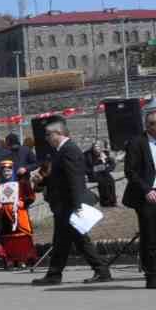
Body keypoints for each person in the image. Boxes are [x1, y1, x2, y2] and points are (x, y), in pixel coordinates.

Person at [33, 117, 112, 285]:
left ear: (59, 133)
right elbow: (58, 178)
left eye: (48, 134)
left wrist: (77, 206)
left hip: (68, 204)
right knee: (63, 240)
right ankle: (55, 274)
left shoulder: (69, 150)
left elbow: (75, 179)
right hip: (63, 204)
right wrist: (42, 180)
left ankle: (100, 270)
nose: (46, 138)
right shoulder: (59, 152)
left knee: (77, 239)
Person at [121, 106, 156, 289]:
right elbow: (131, 172)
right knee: (150, 236)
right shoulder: (137, 143)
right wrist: (146, 190)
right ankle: (151, 275)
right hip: (147, 197)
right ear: (147, 125)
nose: (154, 127)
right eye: (151, 124)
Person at [86, 141, 118, 208]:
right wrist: (101, 163)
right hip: (93, 174)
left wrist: (104, 160)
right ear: (92, 148)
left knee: (111, 180)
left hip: (104, 173)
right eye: (95, 146)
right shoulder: (88, 155)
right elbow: (90, 167)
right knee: (103, 182)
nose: (97, 148)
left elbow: (112, 163)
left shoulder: (103, 154)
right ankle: (105, 202)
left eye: (98, 146)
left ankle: (112, 201)